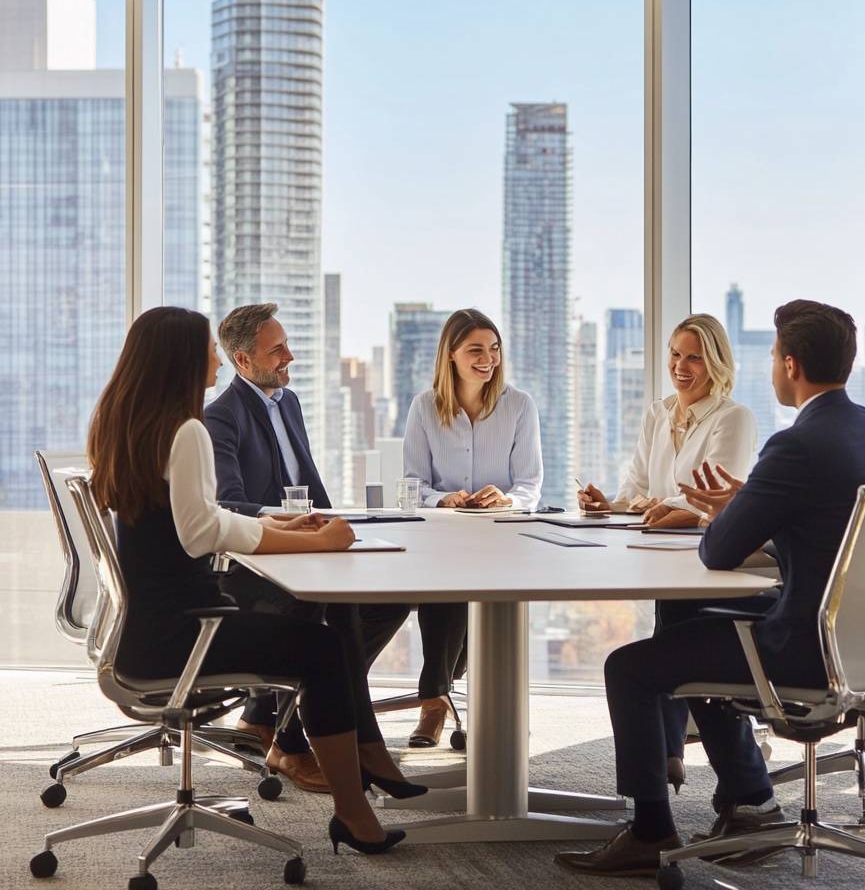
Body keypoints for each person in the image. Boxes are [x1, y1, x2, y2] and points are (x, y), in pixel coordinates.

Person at [556, 299, 865, 877]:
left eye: (773, 355)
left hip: (807, 645)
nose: (771, 365)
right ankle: (751, 802)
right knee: (693, 630)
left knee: (631, 667)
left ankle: (650, 832)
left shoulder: (795, 444)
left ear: (790, 365)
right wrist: (749, 500)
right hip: (864, 638)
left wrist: (734, 511)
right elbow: (824, 525)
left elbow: (717, 550)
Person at [87, 306, 406, 855]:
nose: (216, 358)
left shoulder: (128, 424)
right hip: (185, 636)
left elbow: (196, 515)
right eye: (208, 349)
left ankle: (334, 771)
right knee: (324, 649)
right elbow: (202, 530)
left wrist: (271, 521)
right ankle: (353, 815)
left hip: (146, 630)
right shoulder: (188, 429)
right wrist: (307, 541)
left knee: (324, 634)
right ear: (182, 360)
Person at [204, 303, 410, 794]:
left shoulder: (288, 402)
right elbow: (230, 504)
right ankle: (291, 743)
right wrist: (299, 528)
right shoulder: (220, 418)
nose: (289, 357)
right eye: (276, 350)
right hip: (253, 565)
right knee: (317, 614)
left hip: (306, 546)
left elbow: (308, 483)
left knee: (393, 599)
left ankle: (270, 714)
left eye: (287, 345)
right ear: (242, 360)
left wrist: (337, 525)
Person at [577, 314, 757, 793]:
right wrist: (608, 505)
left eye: (694, 356)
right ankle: (673, 755)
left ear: (715, 362)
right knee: (671, 636)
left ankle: (670, 760)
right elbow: (637, 488)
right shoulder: (659, 413)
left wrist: (670, 508)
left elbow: (715, 497)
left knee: (670, 639)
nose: (681, 365)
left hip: (706, 557)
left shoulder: (733, 418)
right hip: (657, 548)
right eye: (675, 355)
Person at [360, 308, 542, 747]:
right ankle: (435, 698)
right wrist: (445, 498)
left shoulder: (519, 405)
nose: (488, 358)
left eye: (494, 348)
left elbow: (530, 484)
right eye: (475, 349)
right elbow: (411, 482)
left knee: (463, 583)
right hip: (439, 540)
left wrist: (506, 499)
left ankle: (435, 700)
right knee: (449, 582)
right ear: (452, 355)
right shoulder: (425, 406)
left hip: (500, 540)